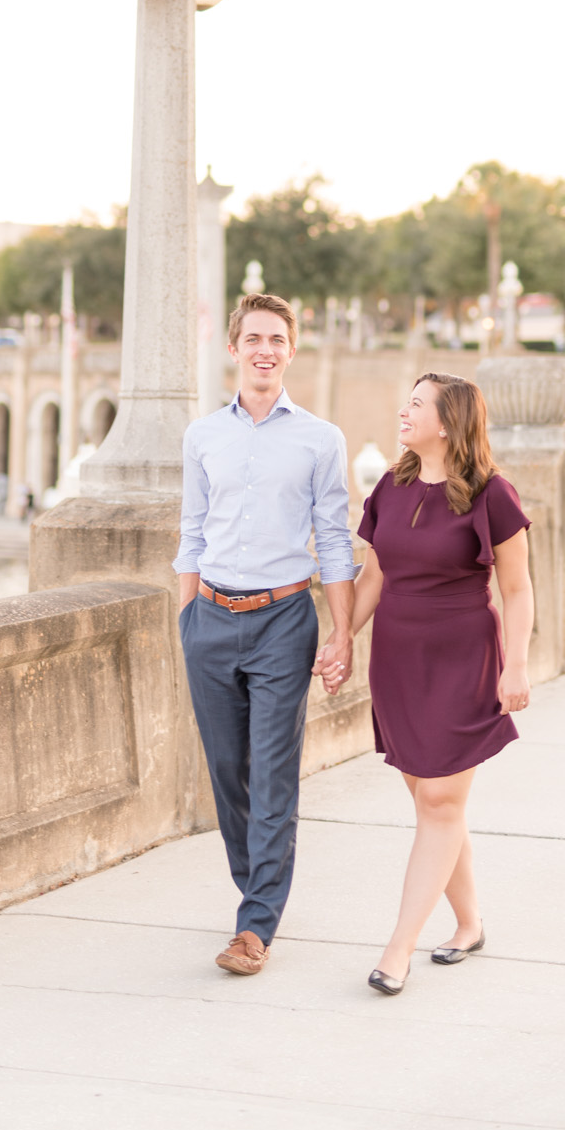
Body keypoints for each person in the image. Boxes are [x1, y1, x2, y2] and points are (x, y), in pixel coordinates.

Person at [320, 372, 533, 997]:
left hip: (463, 659)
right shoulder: (392, 485)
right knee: (433, 801)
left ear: (448, 422)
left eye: (416, 404)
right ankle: (468, 923)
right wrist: (341, 640)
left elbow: (517, 590)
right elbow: (372, 578)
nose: (402, 410)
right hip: (397, 660)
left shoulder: (494, 495)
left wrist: (514, 665)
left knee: (440, 803)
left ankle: (399, 947)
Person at [175, 293, 356, 978]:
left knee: (273, 771)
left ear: (291, 349)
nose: (264, 349)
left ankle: (254, 926)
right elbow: (191, 531)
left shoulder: (319, 438)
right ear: (233, 348)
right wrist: (187, 618)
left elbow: (335, 541)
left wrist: (341, 634)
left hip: (284, 619)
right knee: (227, 772)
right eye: (253, 337)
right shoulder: (202, 437)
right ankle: (261, 886)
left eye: (276, 339)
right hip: (211, 619)